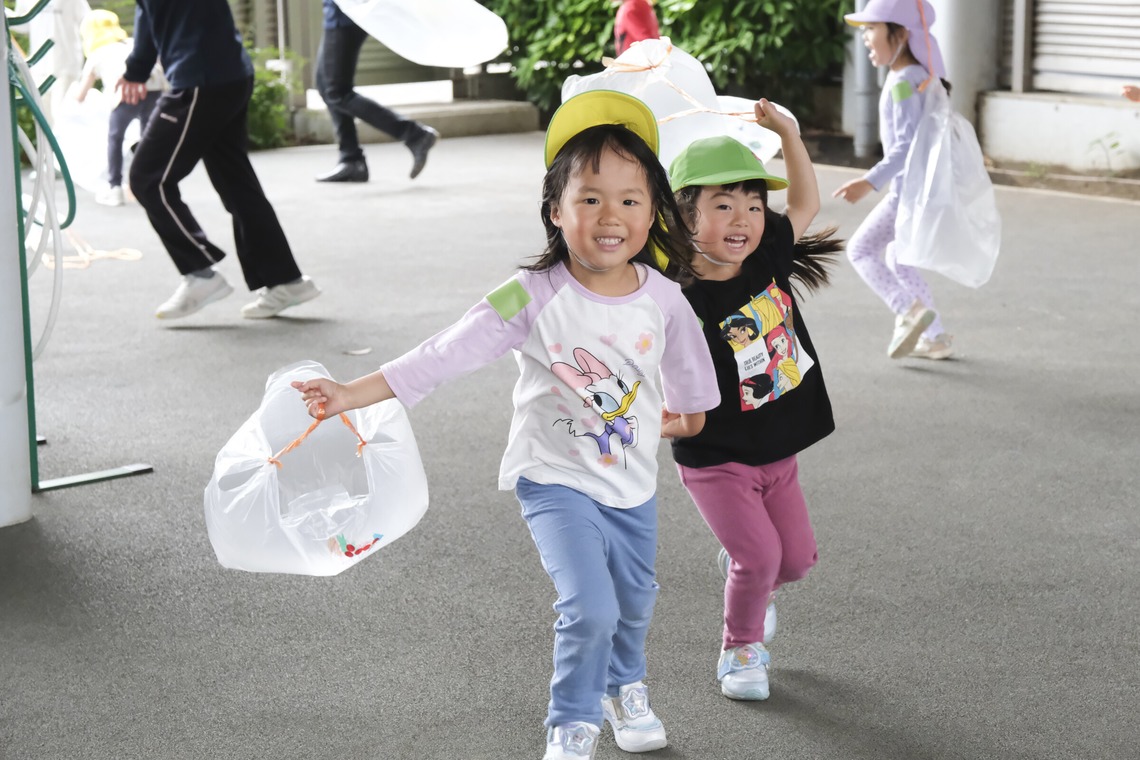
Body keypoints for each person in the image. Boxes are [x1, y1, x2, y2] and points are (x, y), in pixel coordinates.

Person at [293, 90, 720, 760]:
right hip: (553, 479)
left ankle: (624, 686)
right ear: (556, 210)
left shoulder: (664, 299)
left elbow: (690, 375)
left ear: (652, 212)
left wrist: (688, 417)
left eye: (630, 199)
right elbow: (446, 350)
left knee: (635, 599)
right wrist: (351, 393)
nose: (610, 215)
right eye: (590, 198)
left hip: (632, 482)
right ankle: (572, 722)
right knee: (591, 605)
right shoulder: (532, 292)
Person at [666, 110, 843, 701]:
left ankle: (749, 573)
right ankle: (739, 651)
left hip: (778, 448)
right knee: (762, 555)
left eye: (752, 204)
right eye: (722, 205)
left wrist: (790, 134)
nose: (743, 218)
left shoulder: (766, 256)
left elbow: (807, 202)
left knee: (795, 562)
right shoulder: (674, 295)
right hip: (715, 455)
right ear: (685, 216)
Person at [118, 0, 320, 321]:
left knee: (148, 179)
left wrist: (136, 70)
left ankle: (200, 273)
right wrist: (137, 70)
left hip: (200, 80)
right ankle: (285, 280)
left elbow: (147, 15)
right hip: (227, 74)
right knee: (236, 183)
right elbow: (149, 13)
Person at [832, 0, 953, 360]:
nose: (865, 37)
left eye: (872, 29)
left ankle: (908, 310)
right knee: (900, 259)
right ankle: (935, 337)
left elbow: (905, 145)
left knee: (860, 250)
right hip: (922, 191)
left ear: (900, 35)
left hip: (907, 193)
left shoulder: (903, 83)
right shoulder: (919, 77)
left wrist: (868, 182)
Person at [315, 0, 439, 183]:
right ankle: (351, 160)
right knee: (326, 86)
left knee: (337, 92)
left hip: (345, 14)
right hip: (340, 12)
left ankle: (415, 134)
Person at [75, 8, 165, 207]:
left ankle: (115, 187)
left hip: (124, 94)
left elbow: (80, 95)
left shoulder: (97, 54)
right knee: (147, 137)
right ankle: (149, 184)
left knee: (115, 138)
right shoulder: (132, 43)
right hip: (154, 89)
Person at [13, 0, 90, 122]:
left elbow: (87, 21)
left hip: (66, 63)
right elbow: (22, 24)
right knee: (42, 118)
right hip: (39, 64)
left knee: (62, 115)